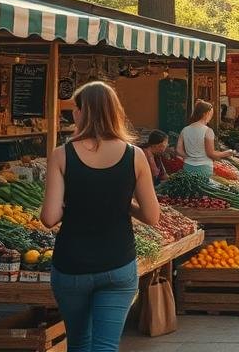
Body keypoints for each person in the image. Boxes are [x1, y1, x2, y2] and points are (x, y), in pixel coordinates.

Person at [41, 82, 161, 352]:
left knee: (78, 344)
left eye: (75, 109)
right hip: (118, 263)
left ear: (81, 113)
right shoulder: (135, 155)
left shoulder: (62, 155)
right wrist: (125, 205)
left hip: (71, 264)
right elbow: (152, 216)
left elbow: (49, 217)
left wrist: (76, 202)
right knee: (105, 346)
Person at [177, 100, 236, 179]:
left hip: (188, 167)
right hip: (203, 168)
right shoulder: (208, 131)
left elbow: (178, 150)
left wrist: (189, 157)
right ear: (205, 114)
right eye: (211, 114)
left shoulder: (185, 130)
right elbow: (211, 153)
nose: (211, 117)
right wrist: (227, 153)